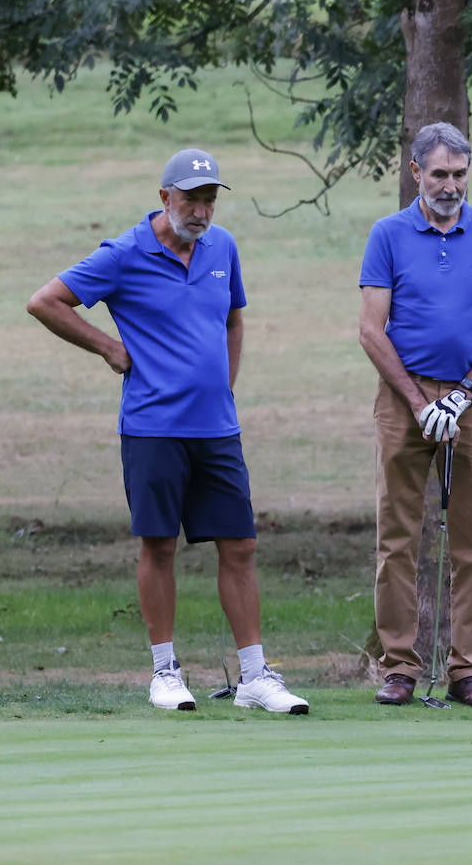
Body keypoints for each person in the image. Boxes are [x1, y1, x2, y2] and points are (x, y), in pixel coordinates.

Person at [26, 148, 309, 715]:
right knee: (158, 545)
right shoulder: (124, 254)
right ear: (164, 198)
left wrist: (225, 386)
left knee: (242, 545)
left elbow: (233, 317)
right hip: (153, 428)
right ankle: (164, 672)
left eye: (209, 200)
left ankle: (254, 676)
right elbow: (45, 302)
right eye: (191, 200)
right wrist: (108, 346)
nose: (201, 212)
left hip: (216, 429)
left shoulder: (222, 248)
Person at [358, 122, 472, 709]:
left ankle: (467, 669)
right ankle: (398, 666)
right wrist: (419, 402)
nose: (450, 185)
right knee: (397, 538)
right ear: (416, 174)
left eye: (459, 174)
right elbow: (371, 331)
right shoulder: (388, 234)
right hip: (404, 401)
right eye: (440, 174)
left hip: (471, 400)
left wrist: (464, 394)